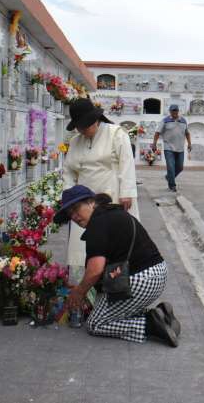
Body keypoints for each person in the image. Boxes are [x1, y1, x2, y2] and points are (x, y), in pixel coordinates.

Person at [55, 185, 180, 347]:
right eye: (70, 213)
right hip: (159, 273)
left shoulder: (97, 224)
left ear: (91, 202)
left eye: (76, 208)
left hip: (140, 280)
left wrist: (79, 292)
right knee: (107, 309)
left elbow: (96, 270)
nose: (74, 216)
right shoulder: (111, 213)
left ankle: (150, 325)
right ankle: (161, 314)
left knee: (95, 323)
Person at [63, 99, 139, 277]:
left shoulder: (116, 134)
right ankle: (85, 280)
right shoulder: (75, 141)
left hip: (111, 194)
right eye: (79, 127)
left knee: (113, 242)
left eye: (84, 126)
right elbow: (68, 170)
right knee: (83, 246)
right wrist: (67, 196)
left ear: (95, 120)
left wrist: (126, 193)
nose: (82, 131)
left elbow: (126, 164)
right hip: (83, 201)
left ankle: (115, 279)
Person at [152, 104, 191, 192]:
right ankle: (172, 185)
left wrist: (189, 144)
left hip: (180, 148)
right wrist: (154, 144)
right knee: (170, 166)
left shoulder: (183, 121)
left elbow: (187, 133)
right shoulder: (165, 121)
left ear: (178, 111)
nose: (174, 112)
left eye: (176, 110)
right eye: (173, 111)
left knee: (180, 167)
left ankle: (168, 177)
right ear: (170, 111)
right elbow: (157, 133)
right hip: (168, 147)